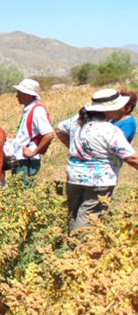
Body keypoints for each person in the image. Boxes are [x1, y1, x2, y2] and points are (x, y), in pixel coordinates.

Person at [55, 89, 138, 232]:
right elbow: (130, 157)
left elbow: (59, 129)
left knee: (73, 215)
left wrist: (77, 150)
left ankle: (67, 247)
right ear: (110, 109)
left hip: (74, 177)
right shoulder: (109, 130)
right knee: (88, 220)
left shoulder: (77, 121)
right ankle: (77, 250)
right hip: (99, 182)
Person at [9, 78, 54, 185]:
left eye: (19, 93)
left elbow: (49, 135)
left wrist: (33, 152)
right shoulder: (29, 110)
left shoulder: (37, 111)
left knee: (23, 194)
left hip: (27, 161)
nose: (17, 96)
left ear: (28, 94)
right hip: (22, 159)